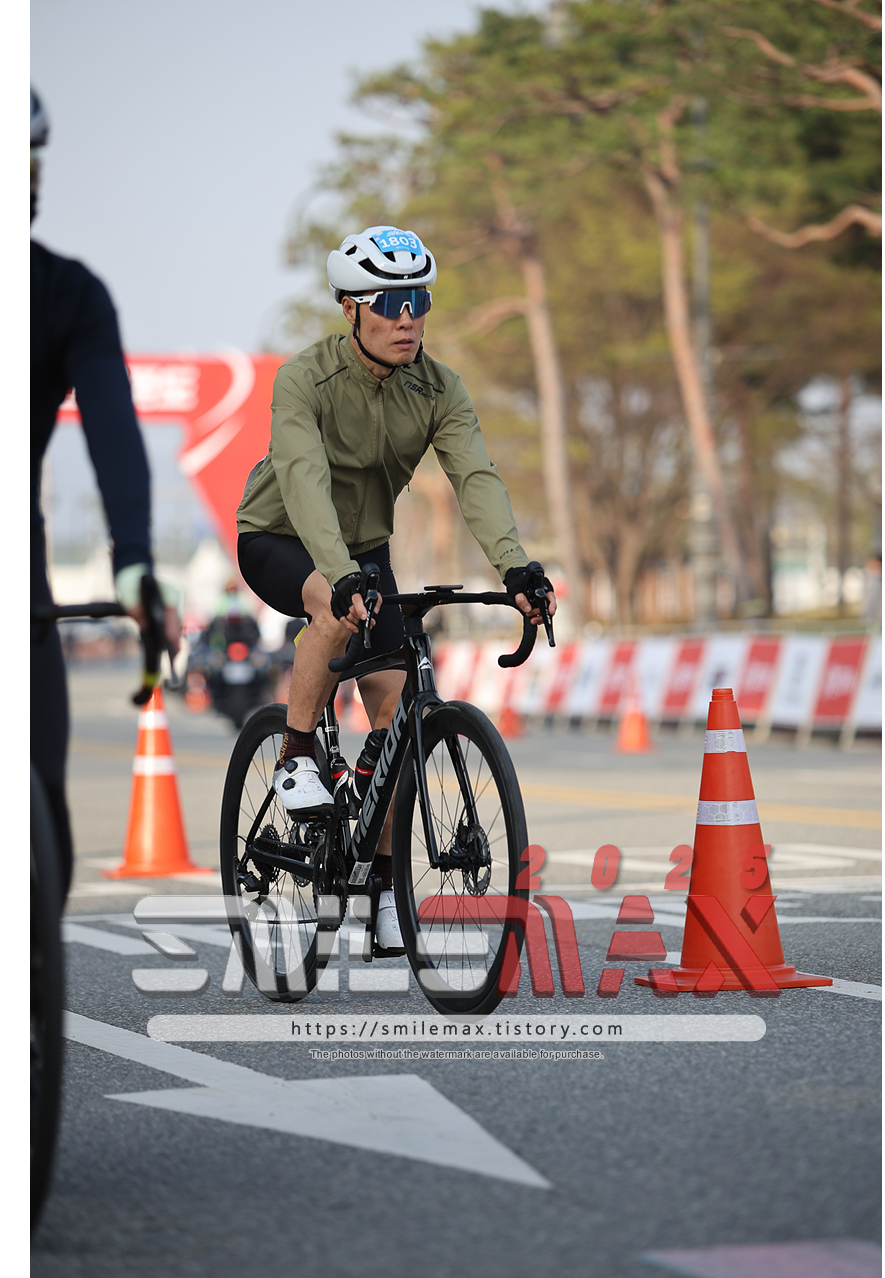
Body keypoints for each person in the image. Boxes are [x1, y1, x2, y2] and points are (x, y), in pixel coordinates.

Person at [235, 224, 556, 950]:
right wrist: (338, 575)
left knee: (395, 715)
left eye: (418, 300)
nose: (407, 318)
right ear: (351, 308)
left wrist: (515, 568)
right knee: (330, 610)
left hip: (365, 550)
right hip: (281, 536)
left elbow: (476, 478)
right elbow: (305, 482)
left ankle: (382, 884)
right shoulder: (303, 380)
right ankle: (294, 758)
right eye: (388, 302)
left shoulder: (439, 388)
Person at [31, 87, 180, 896]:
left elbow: (114, 433)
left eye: (31, 159)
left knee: (42, 803)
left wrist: (135, 566)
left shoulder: (68, 295)